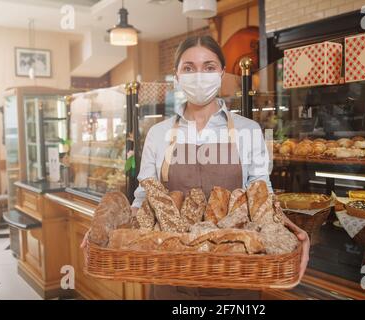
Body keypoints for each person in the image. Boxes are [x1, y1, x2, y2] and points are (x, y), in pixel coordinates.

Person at [83, 35, 309, 300]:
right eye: (188, 68)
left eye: (209, 67)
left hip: (236, 271)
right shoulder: (159, 133)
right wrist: (107, 228)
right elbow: (144, 198)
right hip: (169, 269)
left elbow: (261, 195)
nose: (199, 75)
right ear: (177, 76)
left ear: (222, 73)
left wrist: (292, 229)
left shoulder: (249, 130)